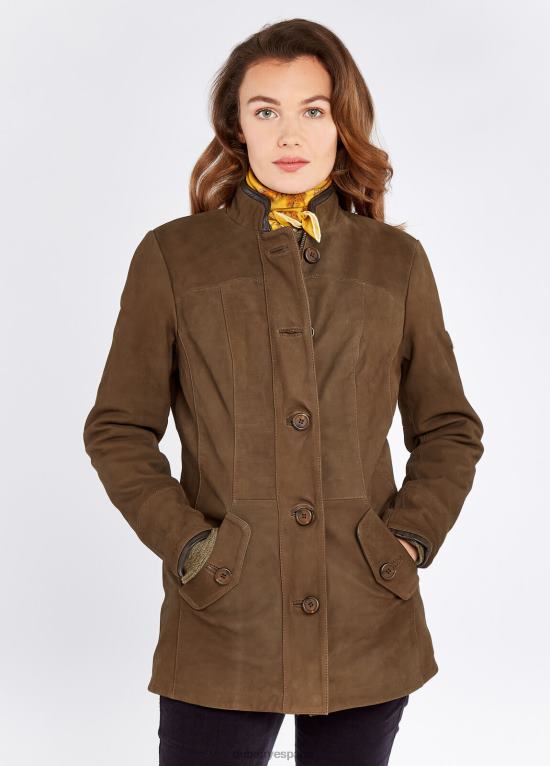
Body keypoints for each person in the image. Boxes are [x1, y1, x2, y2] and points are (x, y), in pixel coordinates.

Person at [83, 17, 484, 766]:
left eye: (313, 109)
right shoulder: (174, 257)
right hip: (224, 616)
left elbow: (449, 428)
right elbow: (117, 429)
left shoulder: (396, 262)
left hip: (368, 612)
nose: (289, 133)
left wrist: (404, 541)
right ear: (237, 126)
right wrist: (192, 546)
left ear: (342, 123)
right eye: (265, 110)